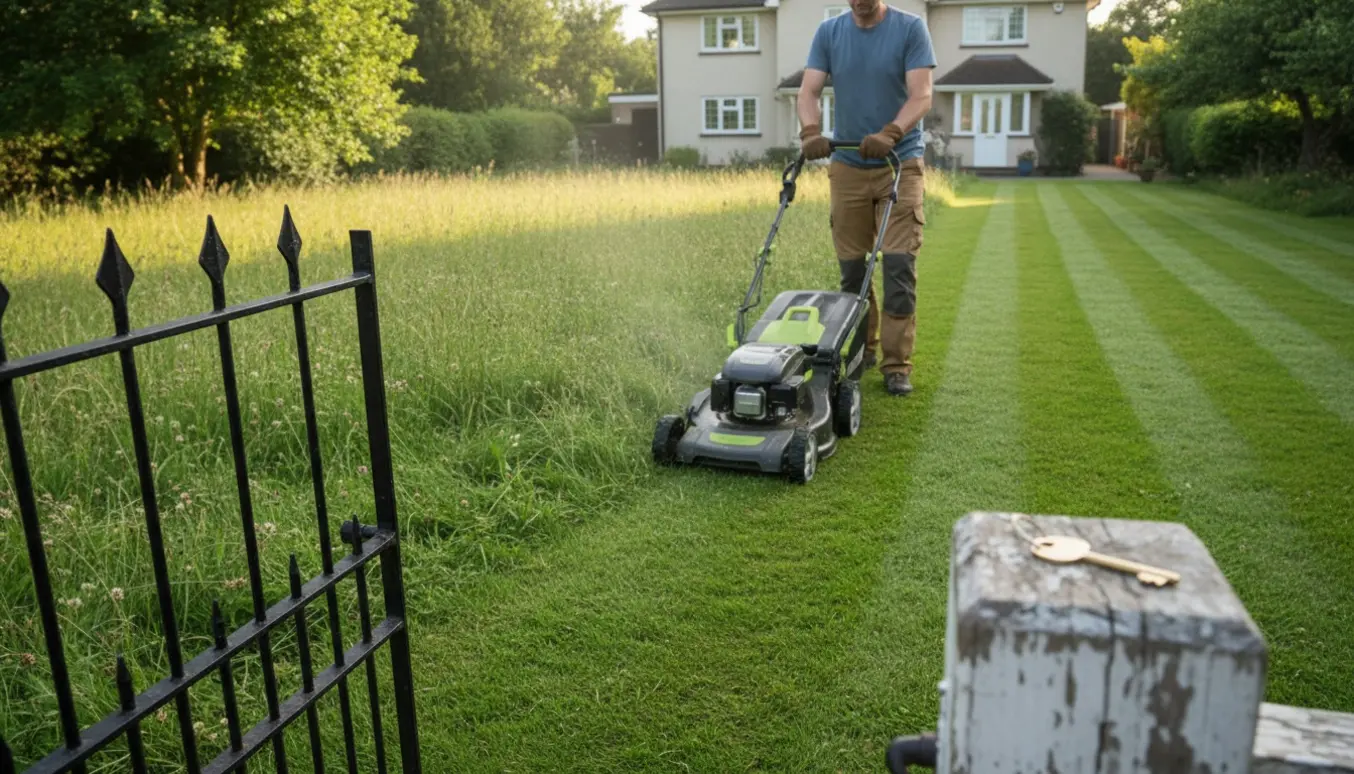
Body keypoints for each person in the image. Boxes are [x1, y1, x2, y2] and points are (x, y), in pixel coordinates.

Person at [797, 0, 935, 396]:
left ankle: (896, 365)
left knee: (897, 267)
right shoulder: (830, 32)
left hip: (899, 163)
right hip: (847, 165)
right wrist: (810, 131)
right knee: (852, 272)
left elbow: (922, 94)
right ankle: (861, 350)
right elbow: (808, 91)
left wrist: (891, 132)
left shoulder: (911, 29)